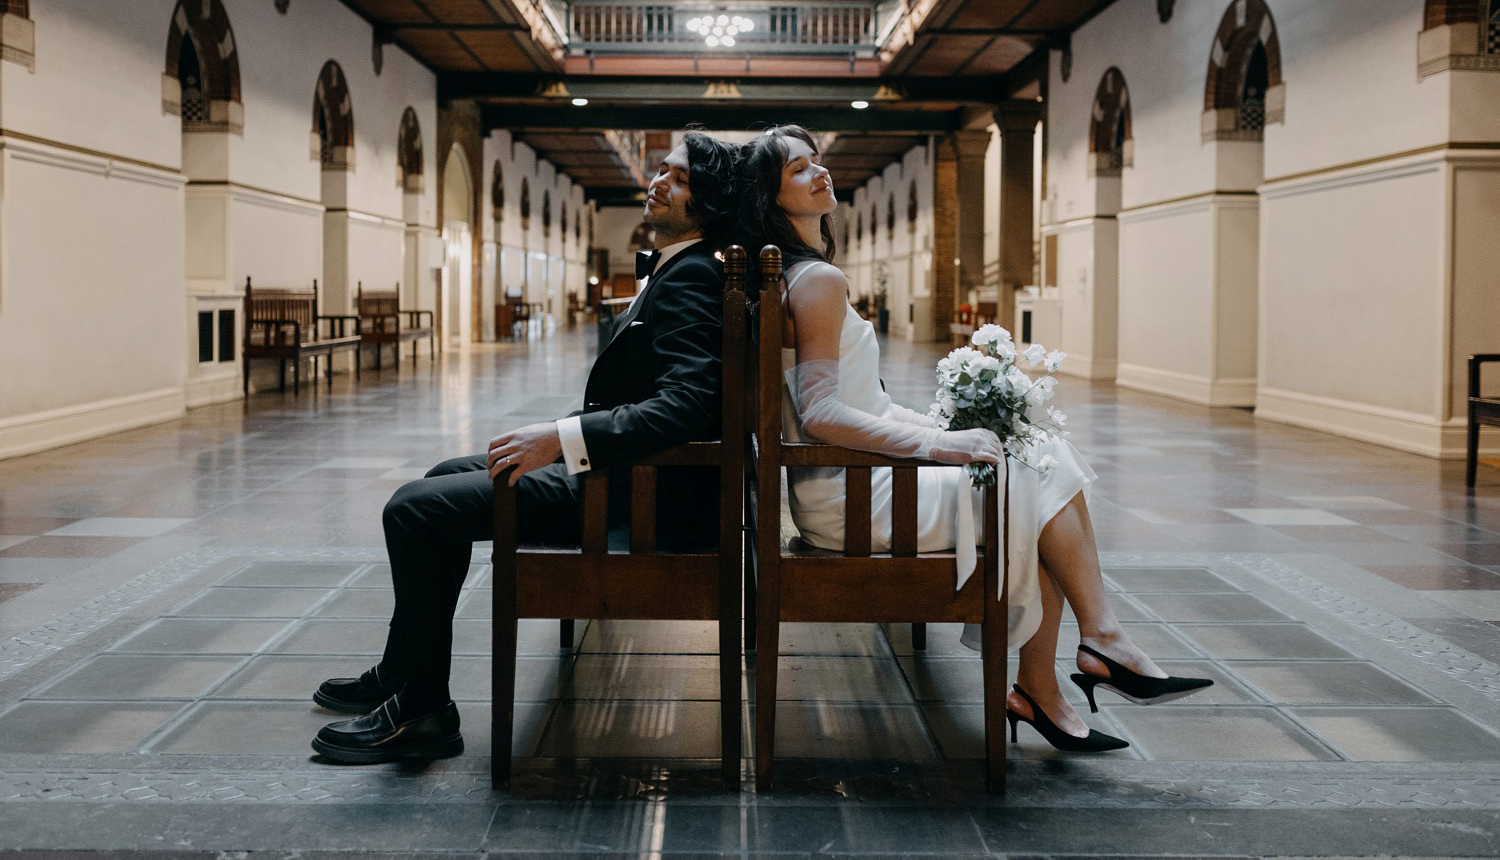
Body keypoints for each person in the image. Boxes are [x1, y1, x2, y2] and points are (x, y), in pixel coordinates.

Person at [736, 124, 1211, 752]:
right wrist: (939, 447)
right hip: (853, 498)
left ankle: (1058, 675)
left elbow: (860, 403)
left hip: (844, 483)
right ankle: (1092, 650)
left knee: (1035, 464)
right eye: (798, 169)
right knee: (1039, 472)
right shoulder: (816, 283)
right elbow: (822, 415)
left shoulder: (800, 276)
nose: (819, 172)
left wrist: (941, 426)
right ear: (771, 197)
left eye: (816, 160)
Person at [309, 131, 740, 764]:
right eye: (661, 171)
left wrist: (563, 440)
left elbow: (688, 405)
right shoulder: (683, 267)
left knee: (412, 510)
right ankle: (404, 673)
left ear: (707, 198)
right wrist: (561, 435)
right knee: (440, 475)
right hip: (625, 477)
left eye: (674, 177)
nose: (657, 181)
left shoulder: (696, 276)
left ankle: (425, 711)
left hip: (638, 501)